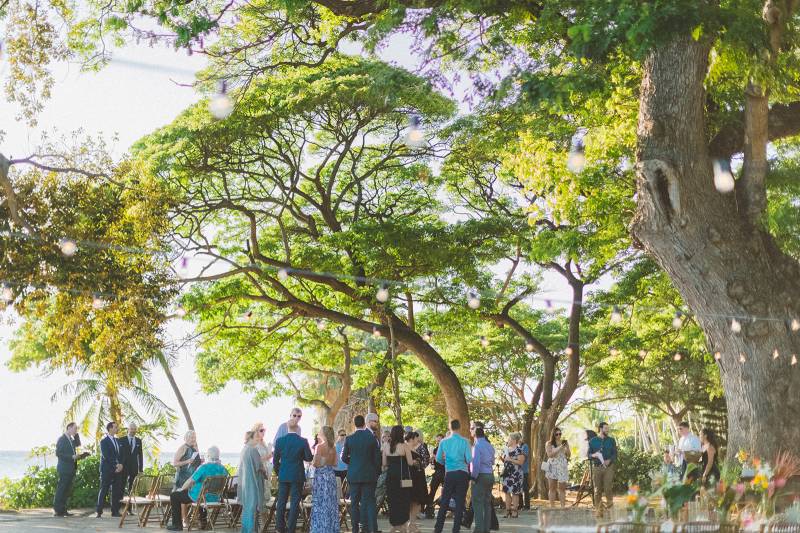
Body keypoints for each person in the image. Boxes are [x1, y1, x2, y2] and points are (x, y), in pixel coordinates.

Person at [166, 446, 228, 531]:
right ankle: (203, 523)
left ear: (208, 455)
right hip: (214, 498)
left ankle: (177, 525)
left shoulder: (204, 467)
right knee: (202, 494)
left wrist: (182, 489)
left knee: (174, 496)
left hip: (199, 497)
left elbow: (191, 480)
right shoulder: (223, 469)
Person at [342, 415, 381, 533]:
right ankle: (372, 528)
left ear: (354, 424)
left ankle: (355, 529)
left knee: (354, 503)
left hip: (354, 475)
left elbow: (343, 458)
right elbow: (377, 459)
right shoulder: (371, 438)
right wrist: (376, 471)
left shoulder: (349, 439)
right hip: (369, 475)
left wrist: (352, 463)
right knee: (369, 502)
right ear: (364, 423)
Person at [273, 419, 313, 533]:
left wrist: (279, 472)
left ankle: (279, 528)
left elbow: (275, 461)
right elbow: (309, 458)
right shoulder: (303, 441)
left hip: (284, 475)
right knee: (295, 503)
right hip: (297, 475)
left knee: (281, 501)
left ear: (287, 428)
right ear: (298, 428)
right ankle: (291, 529)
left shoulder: (280, 441)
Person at [433, 419, 472, 533]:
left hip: (450, 473)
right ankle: (456, 529)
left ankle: (438, 528)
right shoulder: (465, 441)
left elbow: (438, 458)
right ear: (459, 427)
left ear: (449, 428)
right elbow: (469, 459)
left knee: (445, 500)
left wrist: (446, 462)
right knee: (460, 502)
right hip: (462, 473)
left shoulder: (444, 442)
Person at [383, 425, 414, 533]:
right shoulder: (404, 446)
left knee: (392, 500)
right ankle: (402, 525)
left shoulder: (386, 446)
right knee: (404, 500)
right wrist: (416, 462)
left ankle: (394, 524)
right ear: (401, 434)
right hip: (402, 476)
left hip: (391, 476)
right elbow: (410, 462)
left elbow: (384, 463)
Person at [310, 426, 340, 533]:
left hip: (321, 478)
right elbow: (336, 463)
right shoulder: (334, 448)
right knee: (330, 503)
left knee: (320, 503)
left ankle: (320, 529)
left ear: (324, 434)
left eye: (321, 431)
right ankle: (331, 528)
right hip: (330, 475)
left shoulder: (319, 447)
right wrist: (328, 461)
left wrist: (317, 462)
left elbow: (315, 463)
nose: (319, 432)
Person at [588, 422, 617, 517]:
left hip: (609, 468)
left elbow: (615, 454)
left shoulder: (612, 440)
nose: (607, 430)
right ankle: (599, 511)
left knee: (608, 489)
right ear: (600, 429)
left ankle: (610, 511)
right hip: (597, 468)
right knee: (597, 490)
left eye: (608, 428)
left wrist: (610, 460)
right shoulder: (592, 441)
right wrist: (594, 455)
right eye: (605, 428)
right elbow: (588, 455)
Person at [239, 431, 266, 533]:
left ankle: (246, 530)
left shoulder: (244, 450)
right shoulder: (253, 450)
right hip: (253, 483)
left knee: (247, 508)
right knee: (253, 508)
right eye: (256, 437)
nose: (258, 439)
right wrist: (264, 471)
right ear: (250, 438)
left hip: (246, 483)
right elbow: (259, 466)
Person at [96, 421, 124, 518]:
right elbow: (106, 456)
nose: (117, 429)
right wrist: (116, 465)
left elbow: (120, 455)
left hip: (117, 470)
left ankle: (115, 511)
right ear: (110, 428)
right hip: (107, 470)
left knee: (116, 491)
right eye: (115, 427)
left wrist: (120, 465)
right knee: (104, 490)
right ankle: (99, 511)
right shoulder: (104, 441)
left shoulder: (118, 441)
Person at [470, 426, 495, 533]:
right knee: (487, 503)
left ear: (475, 434)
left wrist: (473, 477)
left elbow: (476, 464)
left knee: (478, 503)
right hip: (490, 474)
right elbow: (493, 461)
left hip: (480, 475)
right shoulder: (489, 445)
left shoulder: (477, 446)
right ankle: (486, 529)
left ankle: (479, 529)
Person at [173, 430, 199, 527]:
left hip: (192, 477)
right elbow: (175, 463)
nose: (194, 439)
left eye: (195, 437)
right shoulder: (182, 448)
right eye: (192, 437)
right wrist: (187, 461)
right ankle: (185, 519)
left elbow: (196, 462)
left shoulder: (195, 448)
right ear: (187, 438)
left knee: (194, 496)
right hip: (183, 477)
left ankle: (194, 518)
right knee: (183, 499)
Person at [54, 422, 80, 517]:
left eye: (76, 429)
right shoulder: (62, 439)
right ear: (69, 428)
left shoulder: (71, 439)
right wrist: (72, 457)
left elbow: (78, 444)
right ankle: (58, 510)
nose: (76, 430)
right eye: (74, 428)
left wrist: (76, 435)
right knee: (61, 489)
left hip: (71, 468)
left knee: (67, 490)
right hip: (64, 469)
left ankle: (63, 510)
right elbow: (58, 453)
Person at [405, 431, 428, 531]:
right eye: (415, 438)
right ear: (411, 439)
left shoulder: (415, 448)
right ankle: (410, 524)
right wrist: (415, 462)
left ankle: (412, 523)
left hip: (418, 477)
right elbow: (408, 462)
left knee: (417, 501)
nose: (417, 440)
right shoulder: (405, 448)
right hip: (412, 477)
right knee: (413, 500)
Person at [544, 427, 570, 508]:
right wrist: (559, 447)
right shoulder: (549, 443)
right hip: (552, 466)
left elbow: (569, 454)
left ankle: (562, 507)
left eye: (560, 434)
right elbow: (550, 455)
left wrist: (566, 448)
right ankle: (552, 507)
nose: (559, 436)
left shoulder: (564, 443)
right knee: (552, 487)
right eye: (557, 434)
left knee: (562, 488)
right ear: (553, 434)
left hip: (562, 466)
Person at [500, 432, 525, 518]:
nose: (508, 440)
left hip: (516, 474)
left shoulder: (519, 450)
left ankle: (515, 511)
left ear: (514, 440)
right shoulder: (506, 450)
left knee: (515, 493)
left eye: (509, 439)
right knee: (506, 492)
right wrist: (503, 459)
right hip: (507, 473)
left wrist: (510, 459)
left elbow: (521, 462)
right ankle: (507, 511)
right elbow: (506, 461)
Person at [251, 422, 273, 507]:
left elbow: (266, 458)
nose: (263, 432)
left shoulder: (263, 443)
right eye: (261, 430)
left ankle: (265, 519)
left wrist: (269, 453)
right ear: (256, 431)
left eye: (264, 430)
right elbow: (254, 460)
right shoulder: (254, 444)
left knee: (266, 497)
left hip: (266, 473)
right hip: (259, 473)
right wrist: (267, 456)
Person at [119, 422, 143, 494]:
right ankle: (120, 502)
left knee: (132, 486)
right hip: (123, 466)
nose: (133, 431)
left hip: (134, 467)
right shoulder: (121, 440)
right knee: (121, 485)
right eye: (132, 429)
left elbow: (140, 455)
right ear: (128, 429)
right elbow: (119, 454)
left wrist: (140, 469)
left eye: (135, 429)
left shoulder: (139, 441)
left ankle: (129, 503)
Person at [426, 433, 446, 518]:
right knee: (432, 489)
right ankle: (429, 510)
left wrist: (438, 457)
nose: (438, 442)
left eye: (440, 440)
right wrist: (432, 460)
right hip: (437, 472)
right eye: (437, 441)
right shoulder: (435, 449)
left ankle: (445, 509)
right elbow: (434, 463)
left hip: (445, 472)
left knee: (447, 491)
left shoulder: (446, 448)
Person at [520, 438, 530, 510]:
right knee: (518, 488)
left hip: (524, 470)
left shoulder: (525, 446)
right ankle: (520, 505)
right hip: (517, 471)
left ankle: (527, 505)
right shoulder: (517, 447)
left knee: (525, 488)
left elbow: (524, 457)